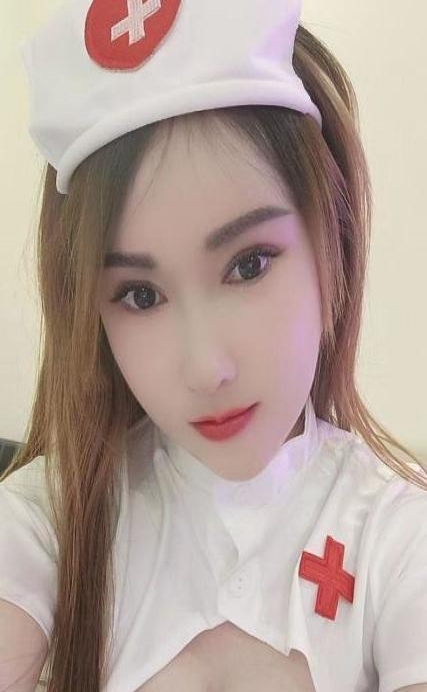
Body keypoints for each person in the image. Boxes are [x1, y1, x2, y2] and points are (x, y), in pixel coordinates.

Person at [1, 1, 426, 691]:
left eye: (249, 264)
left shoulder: (399, 535)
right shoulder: (50, 517)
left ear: (332, 242)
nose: (206, 369)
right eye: (140, 295)